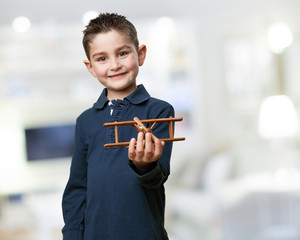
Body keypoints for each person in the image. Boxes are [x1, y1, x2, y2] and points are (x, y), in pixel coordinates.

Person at [62, 13, 174, 240]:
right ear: (90, 67)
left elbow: (158, 177)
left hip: (144, 233)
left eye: (122, 53)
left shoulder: (159, 112)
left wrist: (145, 165)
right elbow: (77, 188)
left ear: (140, 54)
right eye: (102, 59)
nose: (114, 65)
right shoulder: (85, 122)